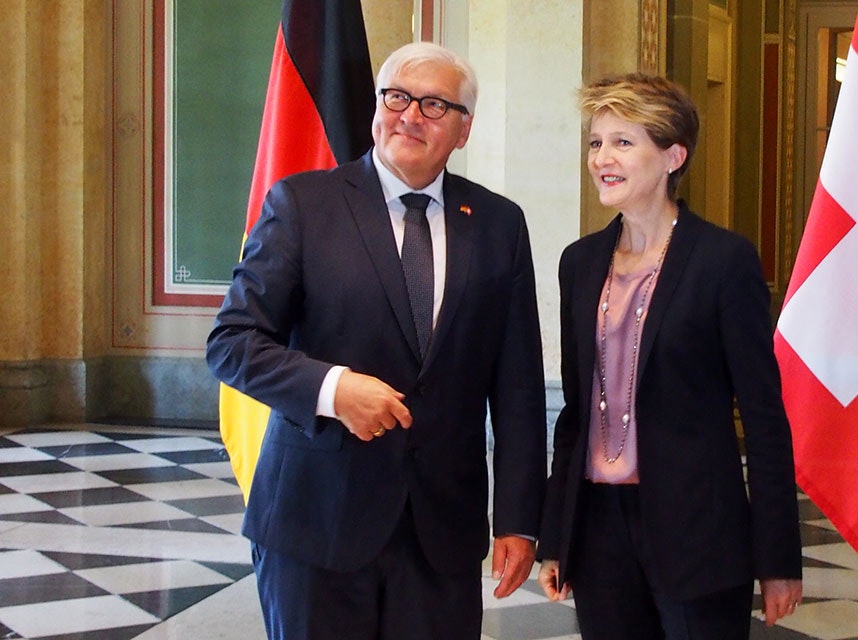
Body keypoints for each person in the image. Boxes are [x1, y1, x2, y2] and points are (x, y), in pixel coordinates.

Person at [207, 42, 547, 640]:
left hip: (442, 535)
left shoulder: (498, 224)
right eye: (397, 97)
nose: (410, 115)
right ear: (376, 108)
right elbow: (232, 342)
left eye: (435, 105)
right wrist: (332, 389)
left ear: (463, 130)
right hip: (317, 524)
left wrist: (519, 519)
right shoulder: (302, 205)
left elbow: (517, 387)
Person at [536, 73, 803, 640]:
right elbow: (576, 412)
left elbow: (764, 418)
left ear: (673, 155)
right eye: (595, 142)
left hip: (697, 530)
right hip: (599, 531)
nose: (601, 157)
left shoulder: (724, 261)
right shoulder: (579, 263)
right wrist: (555, 534)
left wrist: (778, 556)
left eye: (622, 142)